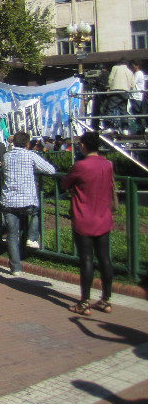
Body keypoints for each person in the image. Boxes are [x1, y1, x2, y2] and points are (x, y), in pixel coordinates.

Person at [61, 131, 116, 316]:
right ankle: (106, 300)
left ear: (84, 146)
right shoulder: (108, 164)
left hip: (84, 217)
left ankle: (84, 302)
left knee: (86, 260)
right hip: (103, 216)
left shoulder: (80, 166)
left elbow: (65, 184)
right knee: (104, 259)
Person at [0, 131, 56, 276]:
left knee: (12, 236)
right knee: (36, 212)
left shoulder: (7, 156)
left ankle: (15, 268)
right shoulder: (30, 155)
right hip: (27, 200)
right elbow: (50, 170)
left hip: (9, 200)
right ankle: (32, 237)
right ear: (27, 144)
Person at [104, 58, 134, 133]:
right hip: (125, 92)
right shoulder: (129, 71)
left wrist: (109, 87)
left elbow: (111, 78)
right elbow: (132, 84)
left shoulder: (115, 68)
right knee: (123, 110)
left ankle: (109, 127)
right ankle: (125, 129)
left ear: (119, 63)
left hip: (115, 90)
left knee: (110, 109)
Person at [130, 60, 146, 133]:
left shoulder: (138, 73)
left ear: (137, 66)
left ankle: (142, 128)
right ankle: (140, 128)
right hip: (135, 96)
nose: (132, 67)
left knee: (138, 113)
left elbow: (132, 83)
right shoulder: (138, 73)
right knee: (137, 114)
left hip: (136, 96)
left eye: (132, 66)